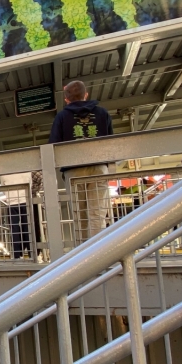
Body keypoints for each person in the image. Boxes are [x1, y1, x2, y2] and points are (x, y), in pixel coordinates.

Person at [49, 80, 114, 243]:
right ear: (86, 95)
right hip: (99, 167)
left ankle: (84, 254)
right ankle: (100, 252)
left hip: (73, 170)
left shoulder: (61, 116)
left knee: (80, 217)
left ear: (66, 99)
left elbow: (53, 146)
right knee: (97, 215)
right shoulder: (102, 113)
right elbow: (112, 143)